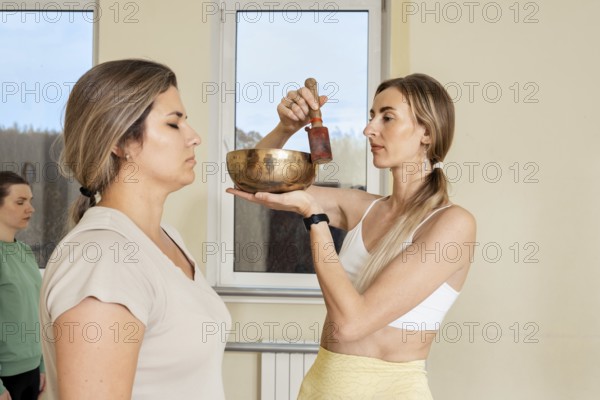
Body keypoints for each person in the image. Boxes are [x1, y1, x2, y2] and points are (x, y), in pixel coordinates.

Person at [228, 73, 476, 399]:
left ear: (426, 132)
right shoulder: (364, 208)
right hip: (321, 385)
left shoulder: (452, 225)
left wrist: (314, 219)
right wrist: (286, 128)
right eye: (371, 116)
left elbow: (351, 323)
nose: (369, 129)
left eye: (387, 117)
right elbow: (255, 180)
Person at [39, 59, 231, 400]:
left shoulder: (166, 238)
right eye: (174, 124)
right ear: (121, 142)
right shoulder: (104, 261)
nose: (194, 137)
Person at [0, 171, 46, 400]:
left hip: (31, 372)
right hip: (5, 377)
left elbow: (34, 311)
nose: (31, 209)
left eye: (30, 201)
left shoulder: (25, 252)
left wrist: (42, 364)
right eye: (20, 202)